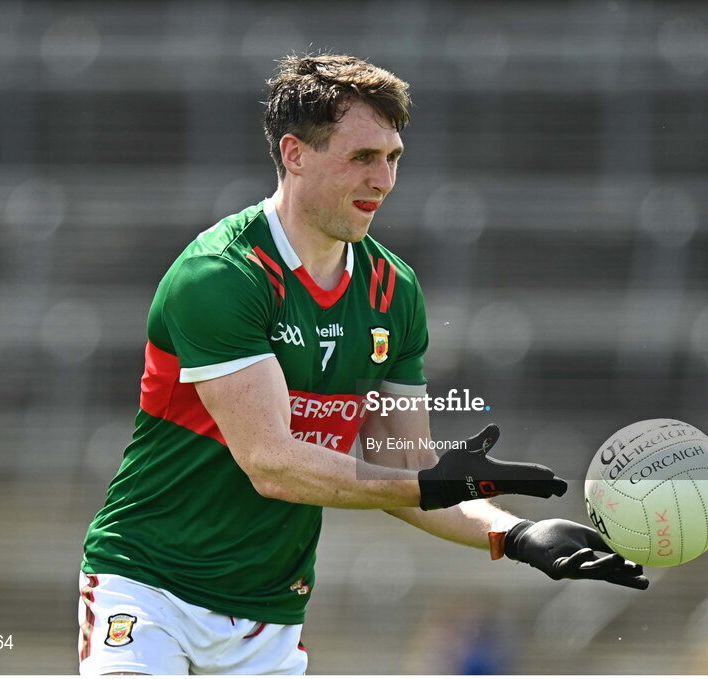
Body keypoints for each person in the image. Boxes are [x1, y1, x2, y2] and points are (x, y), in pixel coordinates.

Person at [78, 53, 648, 676]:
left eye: (393, 157)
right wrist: (438, 483)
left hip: (270, 617)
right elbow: (274, 465)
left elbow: (404, 468)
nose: (384, 180)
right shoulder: (222, 276)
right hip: (149, 590)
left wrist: (514, 534)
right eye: (362, 158)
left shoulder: (394, 291)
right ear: (294, 153)